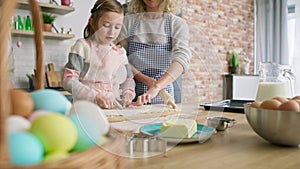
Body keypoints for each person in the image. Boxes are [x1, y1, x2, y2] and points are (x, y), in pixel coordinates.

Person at [63, 0, 144, 109]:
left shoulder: (120, 52)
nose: (112, 32)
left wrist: (127, 94)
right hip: (85, 108)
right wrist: (95, 97)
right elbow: (69, 80)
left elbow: (128, 79)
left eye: (117, 27)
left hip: (112, 109)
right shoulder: (83, 46)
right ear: (92, 22)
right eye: (106, 25)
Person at [119, 0, 191, 104]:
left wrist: (157, 87)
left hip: (163, 96)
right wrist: (146, 80)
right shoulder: (128, 22)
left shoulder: (176, 24)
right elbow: (119, 58)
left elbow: (181, 60)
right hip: (130, 92)